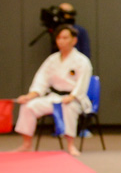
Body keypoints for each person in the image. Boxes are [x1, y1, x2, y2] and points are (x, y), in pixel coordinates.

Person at [14, 24, 92, 157]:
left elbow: (82, 84)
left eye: (65, 38)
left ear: (74, 40)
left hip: (74, 99)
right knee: (28, 106)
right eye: (59, 38)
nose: (61, 41)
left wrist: (72, 96)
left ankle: (71, 145)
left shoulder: (82, 61)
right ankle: (27, 144)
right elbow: (41, 80)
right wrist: (30, 96)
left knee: (69, 107)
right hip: (54, 97)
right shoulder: (52, 60)